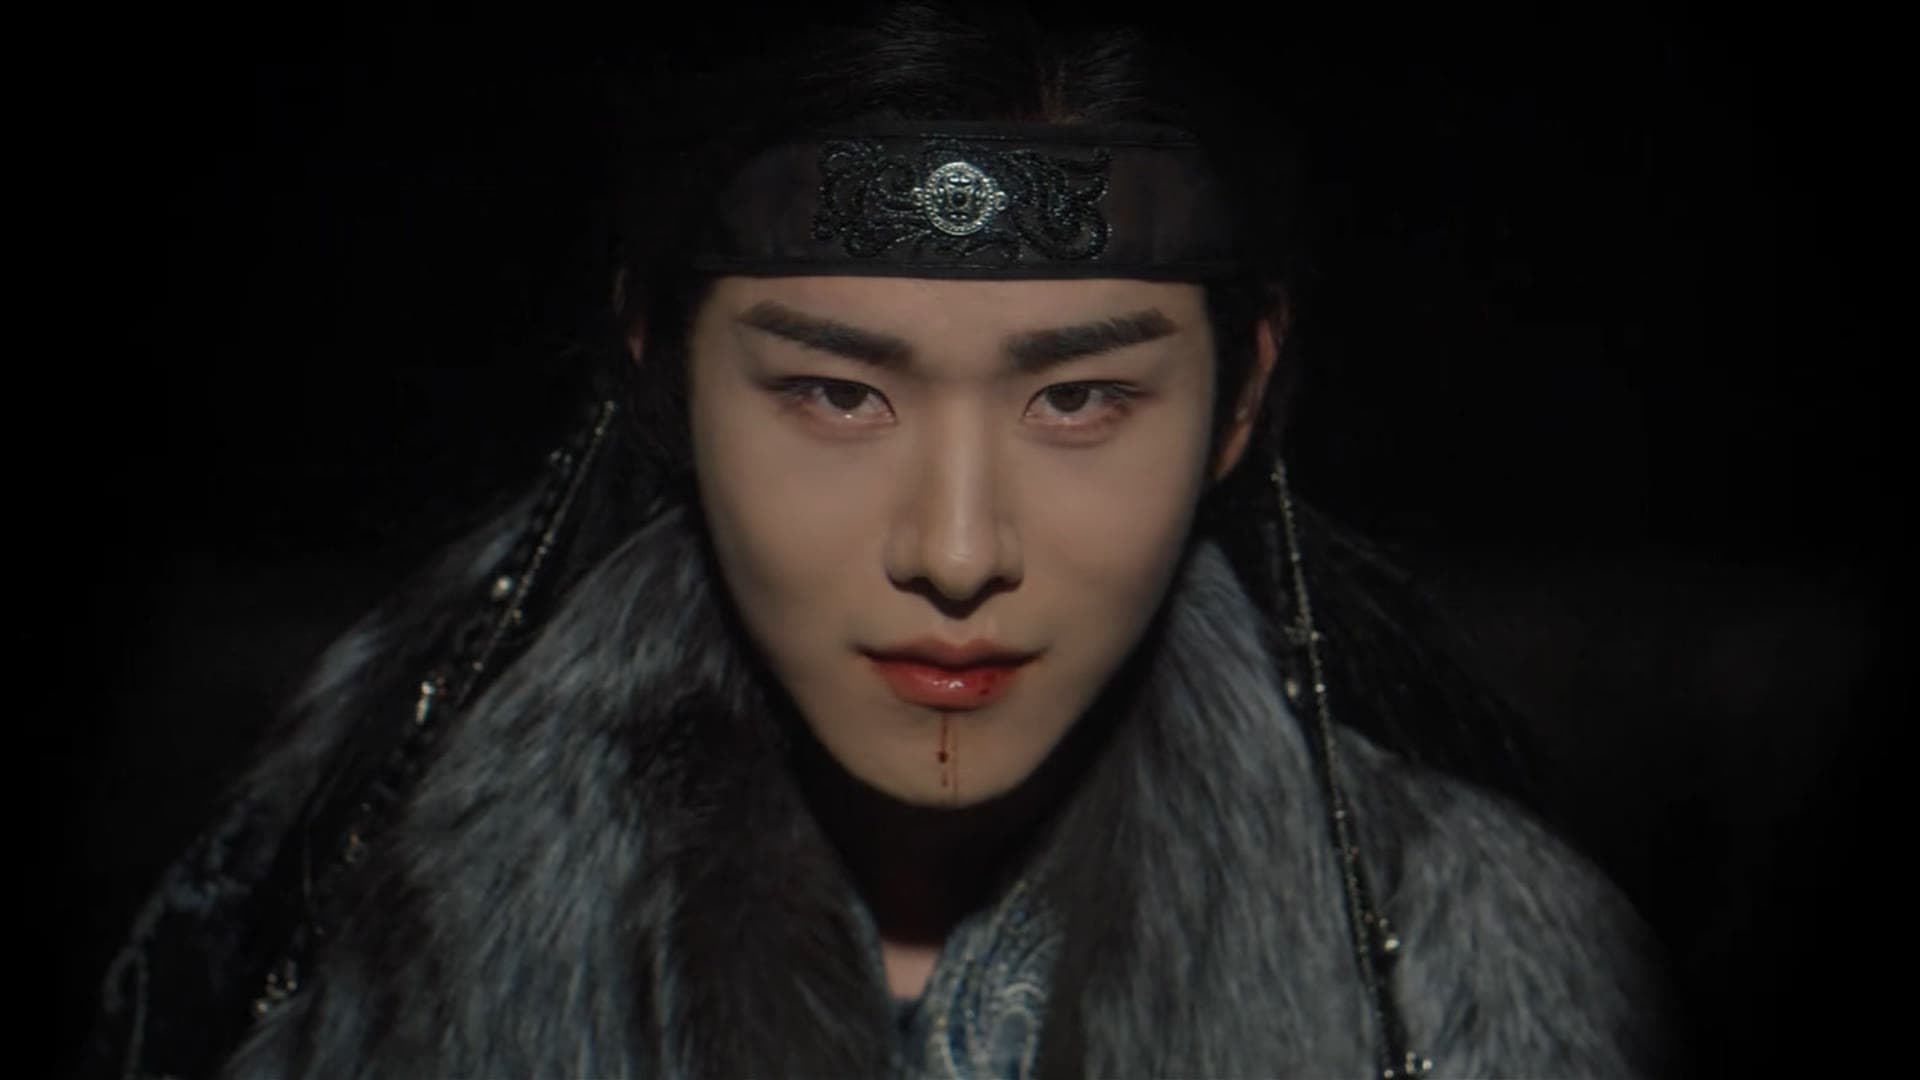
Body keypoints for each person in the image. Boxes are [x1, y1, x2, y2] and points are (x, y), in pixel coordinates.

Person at [84, 5, 1677, 1077]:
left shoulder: (1473, 980)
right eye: (836, 393)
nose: (958, 550)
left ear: (1240, 399)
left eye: (1081, 399)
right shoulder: (324, 920)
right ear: (660, 374)